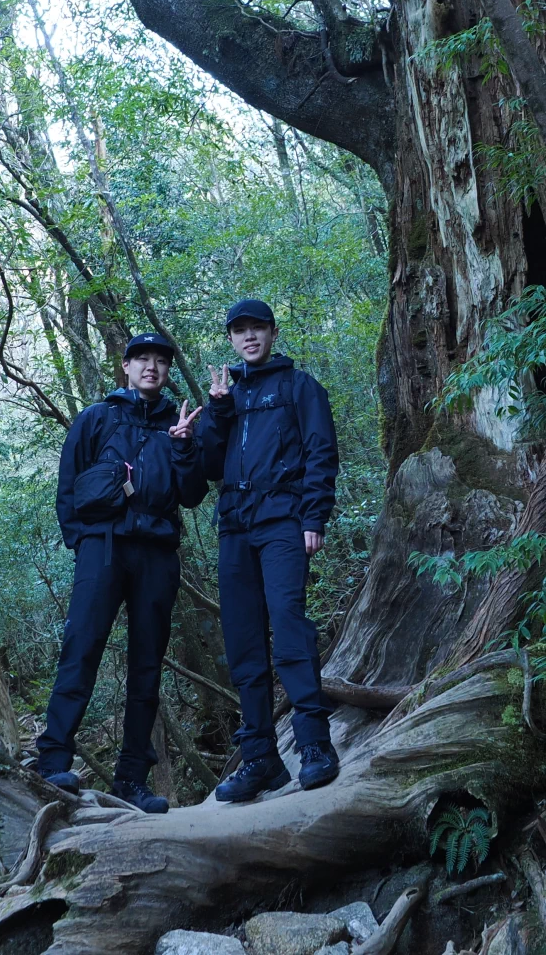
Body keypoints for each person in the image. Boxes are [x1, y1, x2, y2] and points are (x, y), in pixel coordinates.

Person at [35, 331, 206, 813]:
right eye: (142, 359)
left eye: (160, 361)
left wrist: (184, 447)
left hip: (157, 554)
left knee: (147, 665)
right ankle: (52, 763)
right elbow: (68, 486)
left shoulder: (177, 424)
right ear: (126, 367)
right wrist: (83, 543)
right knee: (81, 649)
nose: (151, 367)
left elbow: (193, 494)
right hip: (103, 549)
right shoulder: (97, 417)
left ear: (167, 371)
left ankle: (132, 779)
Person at [195, 297, 342, 801]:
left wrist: (314, 516)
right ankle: (260, 758)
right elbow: (209, 466)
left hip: (283, 521)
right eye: (240, 331)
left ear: (273, 333)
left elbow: (321, 452)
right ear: (231, 340)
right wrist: (216, 411)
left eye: (257, 328)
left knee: (290, 626)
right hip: (234, 527)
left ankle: (315, 745)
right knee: (243, 641)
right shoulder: (226, 395)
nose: (249, 337)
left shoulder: (300, 387)